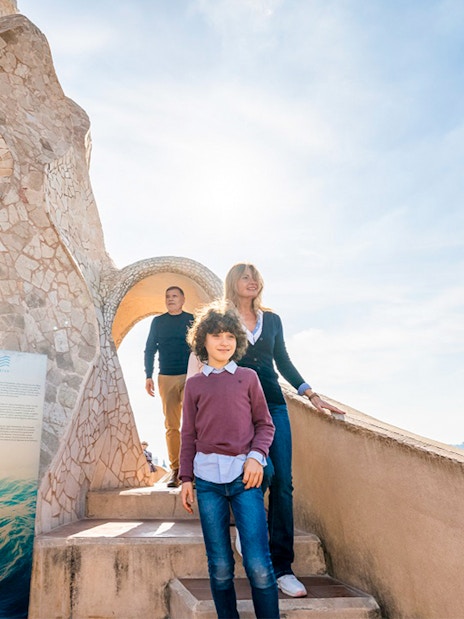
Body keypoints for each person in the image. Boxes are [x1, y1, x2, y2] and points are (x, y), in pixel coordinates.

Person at [225, 263, 345, 598]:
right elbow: (213, 360)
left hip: (275, 405)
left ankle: (282, 568)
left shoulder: (273, 320)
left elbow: (283, 361)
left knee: (284, 484)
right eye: (246, 276)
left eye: (256, 277)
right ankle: (246, 525)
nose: (253, 281)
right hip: (238, 409)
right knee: (266, 472)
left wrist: (311, 394)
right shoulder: (223, 318)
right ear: (233, 283)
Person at [179, 301, 280, 619]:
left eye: (230, 336)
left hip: (245, 478)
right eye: (216, 335)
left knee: (258, 565)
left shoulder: (248, 378)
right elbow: (188, 435)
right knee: (220, 566)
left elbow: (265, 424)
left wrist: (256, 458)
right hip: (207, 483)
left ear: (238, 341)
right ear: (203, 340)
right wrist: (185, 479)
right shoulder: (194, 385)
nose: (224, 342)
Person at [144, 286, 194, 487]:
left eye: (174, 296)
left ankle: (194, 471)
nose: (170, 299)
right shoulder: (158, 322)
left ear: (183, 299)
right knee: (172, 425)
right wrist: (148, 375)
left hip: (191, 376)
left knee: (193, 424)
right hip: (166, 377)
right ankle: (177, 470)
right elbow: (149, 349)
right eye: (167, 297)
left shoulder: (193, 320)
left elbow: (202, 348)